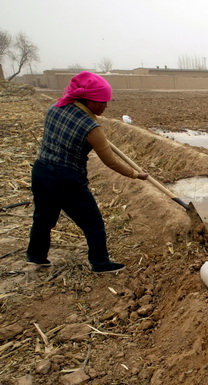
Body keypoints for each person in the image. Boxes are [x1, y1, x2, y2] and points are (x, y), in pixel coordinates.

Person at [26, 71, 149, 273]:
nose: (106, 106)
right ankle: (100, 263)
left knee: (43, 218)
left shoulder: (55, 108)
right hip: (67, 180)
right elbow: (111, 161)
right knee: (93, 223)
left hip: (41, 173)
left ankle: (36, 255)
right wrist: (136, 174)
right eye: (102, 102)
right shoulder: (92, 127)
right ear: (89, 100)